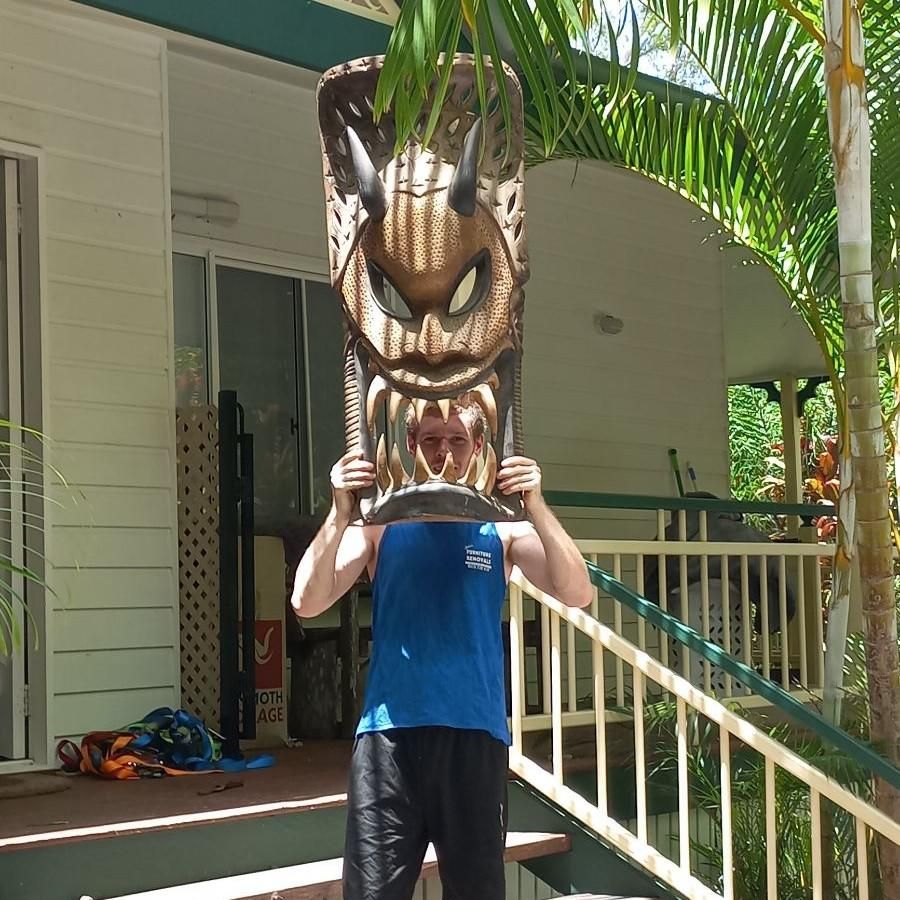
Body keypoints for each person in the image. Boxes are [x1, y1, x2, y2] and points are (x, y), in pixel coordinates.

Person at [291, 397, 592, 900]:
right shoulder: (381, 524)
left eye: (457, 440)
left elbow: (577, 592)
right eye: (430, 439)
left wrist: (536, 504)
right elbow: (306, 600)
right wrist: (340, 513)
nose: (443, 452)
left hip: (474, 737)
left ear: (479, 445)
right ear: (410, 443)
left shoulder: (501, 527)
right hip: (389, 739)